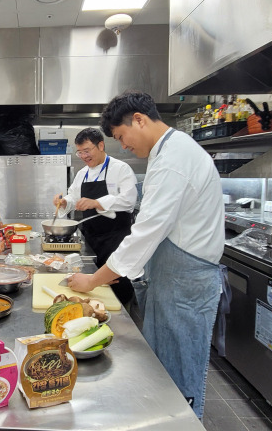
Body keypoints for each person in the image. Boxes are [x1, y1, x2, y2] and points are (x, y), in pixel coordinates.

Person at [68, 91, 224, 419]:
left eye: (122, 136)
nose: (123, 145)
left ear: (139, 119)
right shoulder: (167, 152)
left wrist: (94, 281)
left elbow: (145, 232)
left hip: (186, 279)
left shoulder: (174, 159)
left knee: (179, 370)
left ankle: (182, 423)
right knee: (163, 366)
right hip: (171, 273)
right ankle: (167, 419)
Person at [52, 127, 137, 306]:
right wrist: (65, 202)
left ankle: (124, 320)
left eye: (87, 150)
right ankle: (94, 311)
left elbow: (129, 200)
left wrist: (97, 203)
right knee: (93, 285)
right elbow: (74, 196)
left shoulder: (120, 169)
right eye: (80, 152)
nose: (83, 156)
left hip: (115, 239)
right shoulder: (82, 173)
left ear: (100, 145)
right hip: (91, 238)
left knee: (117, 285)